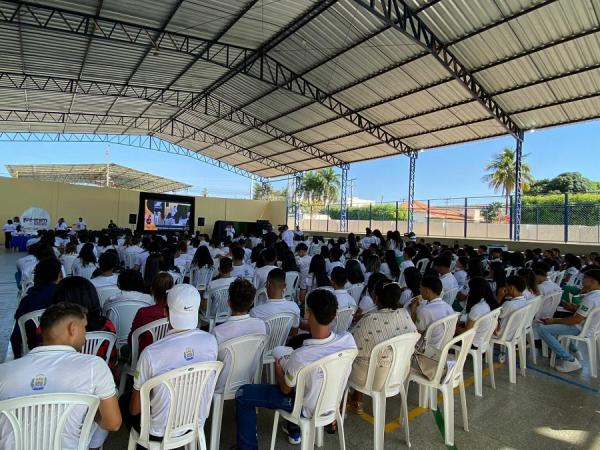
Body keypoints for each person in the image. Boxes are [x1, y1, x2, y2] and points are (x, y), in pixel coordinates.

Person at [235, 289, 357, 448]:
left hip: (303, 407)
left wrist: (279, 369)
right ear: (335, 316)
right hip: (333, 401)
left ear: (308, 313)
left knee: (243, 394)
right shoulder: (349, 341)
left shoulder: (301, 356)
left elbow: (285, 389)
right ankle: (293, 430)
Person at [0, 303, 122, 450]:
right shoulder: (94, 366)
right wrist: (91, 412)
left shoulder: (4, 371)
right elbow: (113, 423)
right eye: (84, 328)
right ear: (73, 329)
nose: (85, 336)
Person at [121, 284, 218, 441]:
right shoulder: (211, 341)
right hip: (195, 421)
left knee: (124, 401)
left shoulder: (151, 353)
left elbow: (134, 409)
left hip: (158, 430)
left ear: (166, 311)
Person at [348, 280, 417, 414]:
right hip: (399, 374)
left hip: (373, 379)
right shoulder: (405, 314)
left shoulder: (370, 319)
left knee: (351, 358)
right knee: (370, 355)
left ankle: (355, 401)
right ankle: (357, 400)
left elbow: (352, 347)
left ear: (376, 298)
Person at [538, 269, 600, 373]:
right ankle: (575, 351)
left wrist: (553, 321)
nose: (582, 280)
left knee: (543, 330)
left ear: (593, 281)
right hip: (592, 327)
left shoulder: (590, 298)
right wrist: (573, 309)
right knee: (557, 329)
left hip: (580, 328)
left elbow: (576, 319)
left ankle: (569, 360)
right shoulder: (595, 295)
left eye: (584, 278)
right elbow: (588, 313)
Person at [211, 279, 266, 391]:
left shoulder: (218, 331)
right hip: (247, 378)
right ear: (251, 303)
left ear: (229, 302)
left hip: (221, 384)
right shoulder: (261, 325)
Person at [52, 276, 118, 369]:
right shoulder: (106, 326)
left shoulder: (49, 329)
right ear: (92, 298)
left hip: (60, 380)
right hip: (98, 379)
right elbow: (111, 361)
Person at [10, 257, 63, 358]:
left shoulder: (26, 300)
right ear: (59, 275)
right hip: (62, 351)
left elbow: (16, 337)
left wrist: (17, 357)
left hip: (33, 351)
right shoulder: (64, 296)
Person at [128, 272, 173, 355]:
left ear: (152, 290)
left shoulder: (143, 313)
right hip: (169, 356)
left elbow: (132, 340)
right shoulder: (177, 313)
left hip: (145, 357)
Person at [410, 275, 454, 350]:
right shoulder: (449, 308)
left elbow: (415, 333)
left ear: (427, 290)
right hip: (444, 348)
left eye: (420, 287)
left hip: (427, 351)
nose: (419, 290)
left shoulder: (425, 311)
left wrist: (413, 310)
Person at [455, 277, 498, 348]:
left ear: (474, 291)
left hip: (472, 343)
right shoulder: (490, 303)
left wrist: (454, 327)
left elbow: (466, 333)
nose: (468, 292)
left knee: (446, 334)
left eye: (470, 289)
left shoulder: (477, 308)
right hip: (483, 340)